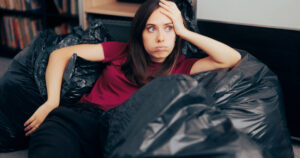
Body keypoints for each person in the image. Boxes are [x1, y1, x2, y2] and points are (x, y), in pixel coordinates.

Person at [25, 0, 241, 157]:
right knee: (48, 147)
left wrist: (183, 30)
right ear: (140, 33)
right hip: (79, 120)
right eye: (151, 28)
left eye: (168, 29)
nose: (160, 38)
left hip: (126, 130)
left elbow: (231, 58)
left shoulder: (182, 66)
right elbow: (59, 54)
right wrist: (52, 102)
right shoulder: (120, 51)